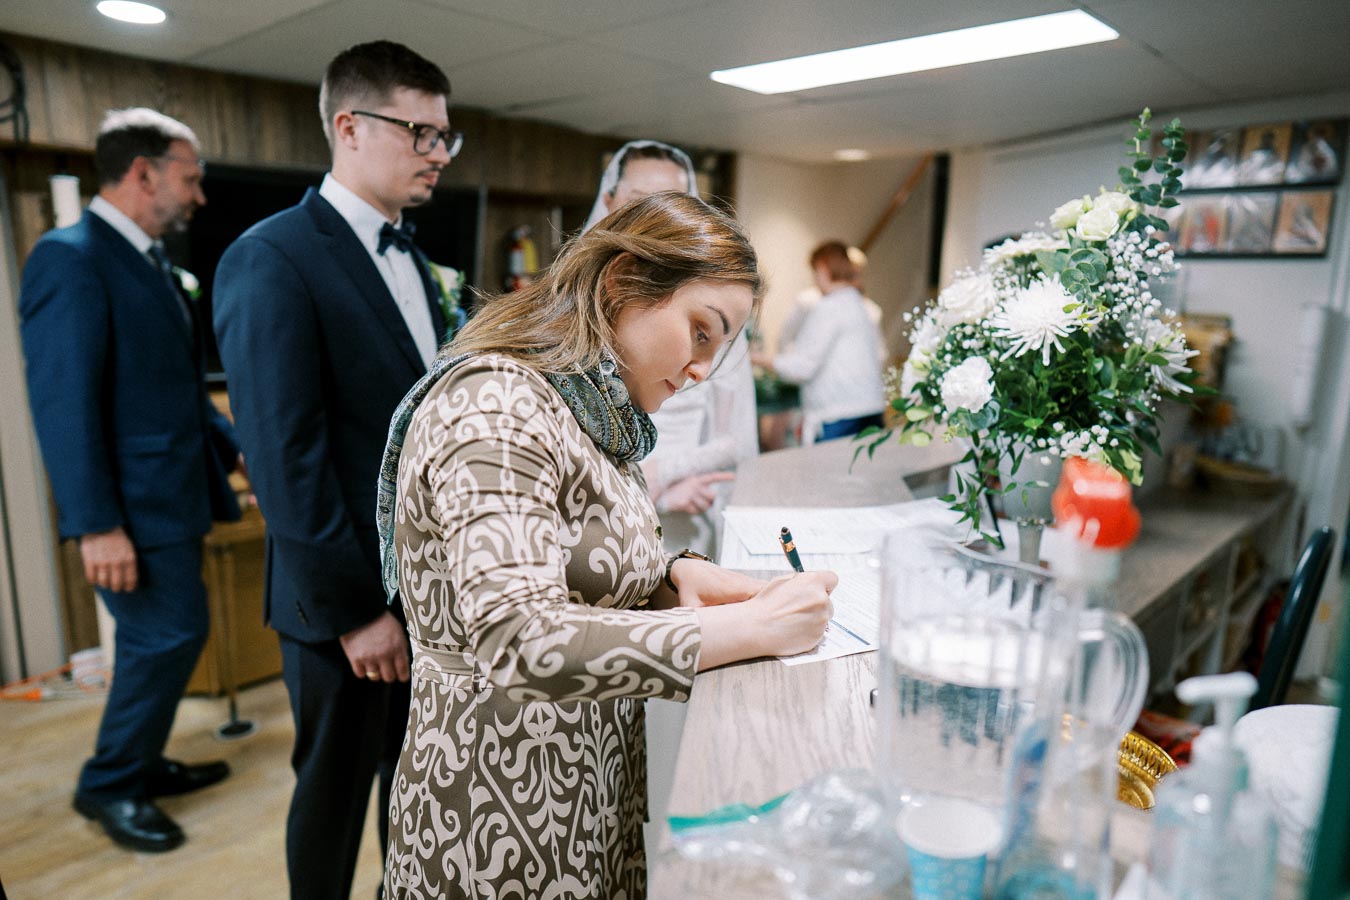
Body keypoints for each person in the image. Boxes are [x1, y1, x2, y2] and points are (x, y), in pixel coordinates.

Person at [378, 192, 836, 897]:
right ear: (623, 283)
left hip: (584, 785)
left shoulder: (591, 408)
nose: (701, 371)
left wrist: (675, 579)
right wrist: (741, 627)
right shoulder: (497, 404)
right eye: (701, 332)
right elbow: (517, 635)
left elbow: (578, 566)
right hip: (495, 798)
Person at [212, 41, 461, 898]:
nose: (436, 154)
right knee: (330, 798)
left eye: (444, 138)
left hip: (423, 588)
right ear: (349, 127)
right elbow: (286, 459)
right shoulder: (271, 256)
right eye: (420, 133)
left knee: (416, 789)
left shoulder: (417, 262)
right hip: (340, 604)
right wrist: (359, 613)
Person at [19, 108, 240, 853]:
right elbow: (63, 402)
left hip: (173, 498)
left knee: (174, 637)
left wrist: (242, 448)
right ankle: (110, 784)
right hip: (130, 510)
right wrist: (95, 523)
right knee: (166, 638)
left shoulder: (148, 261)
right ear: (143, 173)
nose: (199, 195)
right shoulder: (70, 257)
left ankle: (139, 762)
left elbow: (173, 387)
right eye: (191, 177)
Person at [586, 140, 759, 557]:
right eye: (640, 203)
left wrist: (675, 481)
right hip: (596, 528)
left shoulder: (712, 313)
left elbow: (737, 438)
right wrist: (653, 483)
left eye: (673, 204)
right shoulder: (578, 320)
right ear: (610, 203)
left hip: (685, 520)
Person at [754, 240, 886, 443]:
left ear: (823, 269)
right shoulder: (859, 305)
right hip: (869, 407)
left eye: (815, 273)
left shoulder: (828, 308)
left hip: (839, 414)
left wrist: (758, 359)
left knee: (830, 474)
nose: (815, 280)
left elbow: (803, 366)